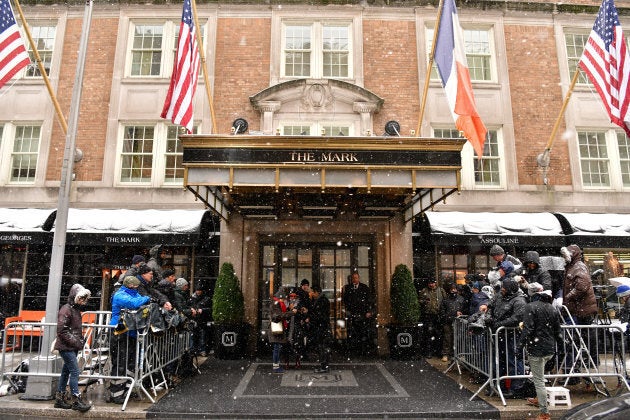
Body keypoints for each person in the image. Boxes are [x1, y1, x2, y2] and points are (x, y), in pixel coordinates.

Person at [517, 284, 563, 420]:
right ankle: (539, 399)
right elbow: (557, 330)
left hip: (536, 348)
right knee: (540, 376)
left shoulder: (531, 307)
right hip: (549, 348)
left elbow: (528, 329)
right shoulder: (552, 309)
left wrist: (520, 345)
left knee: (539, 380)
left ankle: (544, 412)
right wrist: (560, 346)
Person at [108, 276, 151, 404]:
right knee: (120, 363)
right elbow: (134, 303)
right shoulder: (119, 295)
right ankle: (116, 394)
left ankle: (126, 390)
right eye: (136, 285)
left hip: (130, 333)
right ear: (130, 285)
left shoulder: (133, 293)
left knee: (130, 363)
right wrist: (148, 299)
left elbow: (137, 299)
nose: (137, 287)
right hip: (119, 333)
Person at [53, 283, 92, 412]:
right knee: (75, 372)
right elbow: (62, 331)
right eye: (81, 298)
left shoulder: (72, 309)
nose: (83, 301)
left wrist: (78, 341)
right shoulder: (67, 309)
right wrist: (77, 342)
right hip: (67, 347)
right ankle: (76, 400)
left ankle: (60, 398)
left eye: (84, 299)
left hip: (69, 346)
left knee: (66, 372)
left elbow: (67, 330)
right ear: (76, 297)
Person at [486, 277, 527, 398]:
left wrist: (498, 324)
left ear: (510, 289)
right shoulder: (500, 296)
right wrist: (488, 315)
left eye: (504, 288)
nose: (502, 289)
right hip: (500, 335)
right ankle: (499, 385)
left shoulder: (519, 301)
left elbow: (517, 318)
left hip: (511, 335)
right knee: (499, 361)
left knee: (513, 361)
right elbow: (491, 304)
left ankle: (517, 388)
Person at [342, 272, 375, 355]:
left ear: (359, 278)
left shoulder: (364, 288)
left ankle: (363, 351)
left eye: (356, 278)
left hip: (363, 314)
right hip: (352, 314)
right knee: (352, 333)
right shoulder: (348, 288)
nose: (355, 279)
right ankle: (353, 350)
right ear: (351, 279)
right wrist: (348, 310)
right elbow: (345, 300)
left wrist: (369, 311)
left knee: (362, 333)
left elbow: (369, 300)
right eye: (353, 278)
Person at [269, 287, 297, 373]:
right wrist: (292, 312)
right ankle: (276, 367)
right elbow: (279, 316)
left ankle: (276, 366)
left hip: (279, 328)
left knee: (277, 348)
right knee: (277, 348)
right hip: (277, 329)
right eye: (283, 298)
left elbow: (281, 314)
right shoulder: (276, 303)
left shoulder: (277, 302)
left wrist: (289, 310)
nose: (284, 300)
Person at [419, 278, 445, 358]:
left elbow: (445, 301)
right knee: (428, 334)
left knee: (439, 334)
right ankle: (429, 352)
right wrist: (424, 301)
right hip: (428, 315)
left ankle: (438, 352)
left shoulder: (441, 290)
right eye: (430, 283)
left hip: (438, 315)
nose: (431, 285)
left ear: (435, 283)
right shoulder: (424, 291)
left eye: (432, 283)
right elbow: (419, 300)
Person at [440, 283, 465, 362]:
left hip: (458, 322)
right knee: (447, 338)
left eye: (454, 289)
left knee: (458, 338)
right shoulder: (445, 299)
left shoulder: (461, 299)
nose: (453, 290)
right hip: (447, 321)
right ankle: (446, 354)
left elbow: (464, 309)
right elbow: (442, 311)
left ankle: (458, 354)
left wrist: (461, 313)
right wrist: (446, 317)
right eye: (452, 289)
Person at [310, 285, 332, 373]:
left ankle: (324, 366)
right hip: (322, 327)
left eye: (312, 292)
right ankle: (324, 366)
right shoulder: (319, 300)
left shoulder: (322, 301)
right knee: (323, 347)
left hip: (322, 328)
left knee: (323, 347)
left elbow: (321, 316)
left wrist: (312, 317)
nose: (311, 293)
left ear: (317, 292)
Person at [190, 285, 212, 356]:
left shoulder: (206, 299)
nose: (198, 292)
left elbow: (210, 309)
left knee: (202, 336)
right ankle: (195, 350)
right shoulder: (192, 298)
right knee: (194, 336)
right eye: (197, 290)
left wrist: (202, 310)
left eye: (199, 290)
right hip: (195, 319)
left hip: (202, 319)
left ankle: (202, 350)